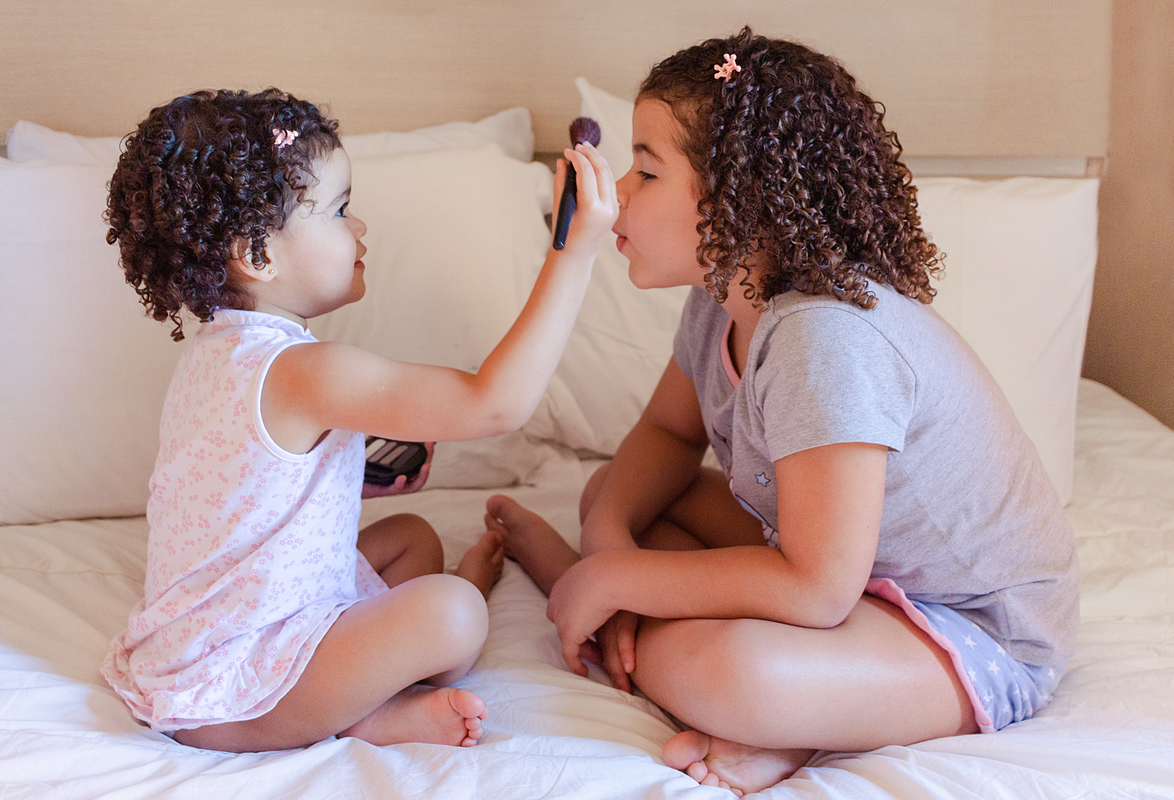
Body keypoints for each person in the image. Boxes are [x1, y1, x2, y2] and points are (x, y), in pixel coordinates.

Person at [485, 29, 1079, 795]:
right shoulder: (720, 301)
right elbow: (669, 435)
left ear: (740, 200)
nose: (621, 194)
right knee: (614, 497)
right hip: (841, 567)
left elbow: (817, 587)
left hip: (966, 625)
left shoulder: (822, 336)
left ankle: (772, 712)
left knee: (725, 672)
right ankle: (623, 609)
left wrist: (617, 579)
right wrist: (610, 554)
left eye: (646, 170)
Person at [99, 88, 617, 754]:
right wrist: (572, 257)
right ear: (257, 254)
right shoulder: (304, 373)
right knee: (454, 614)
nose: (360, 229)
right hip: (235, 692)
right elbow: (495, 403)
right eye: (340, 211)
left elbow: (249, 495)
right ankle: (359, 715)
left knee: (409, 539)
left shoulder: (215, 353)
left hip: (221, 636)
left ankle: (357, 697)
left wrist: (367, 474)